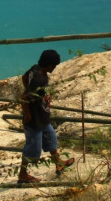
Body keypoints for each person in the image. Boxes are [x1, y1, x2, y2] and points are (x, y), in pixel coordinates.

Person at [18, 49, 74, 184]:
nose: (54, 68)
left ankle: (59, 163)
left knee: (51, 140)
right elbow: (24, 97)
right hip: (35, 120)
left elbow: (24, 78)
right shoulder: (39, 78)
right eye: (53, 65)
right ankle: (23, 174)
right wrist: (29, 114)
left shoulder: (35, 69)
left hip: (43, 117)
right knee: (32, 149)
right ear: (48, 65)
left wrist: (35, 96)